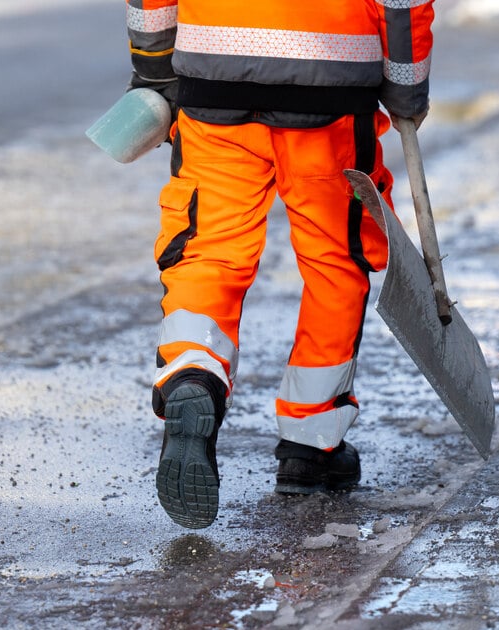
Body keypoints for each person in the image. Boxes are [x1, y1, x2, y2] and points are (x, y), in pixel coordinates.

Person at [125, 0, 434, 529]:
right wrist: (405, 89)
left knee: (208, 248)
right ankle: (311, 444)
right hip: (331, 89)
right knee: (334, 260)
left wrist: (155, 73)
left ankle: (192, 373)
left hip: (212, 80)